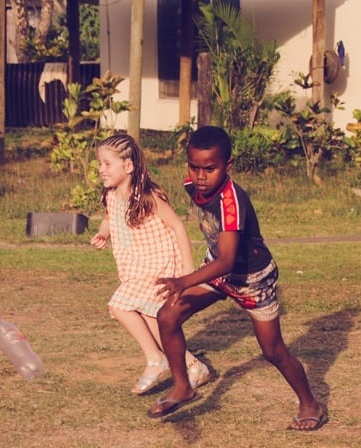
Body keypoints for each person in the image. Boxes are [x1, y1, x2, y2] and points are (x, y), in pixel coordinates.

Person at [149, 126, 325, 430]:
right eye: (194, 167)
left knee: (273, 351)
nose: (201, 175)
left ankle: (310, 404)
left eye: (210, 168)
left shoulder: (232, 202)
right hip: (217, 272)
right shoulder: (192, 184)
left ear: (228, 166)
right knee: (167, 315)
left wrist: (184, 280)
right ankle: (182, 386)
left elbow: (228, 260)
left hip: (251, 279)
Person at [91, 134, 211, 395]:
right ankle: (194, 365)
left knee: (118, 305)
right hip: (134, 266)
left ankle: (156, 360)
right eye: (100, 163)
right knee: (151, 316)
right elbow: (110, 219)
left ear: (129, 166)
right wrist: (103, 234)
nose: (102, 169)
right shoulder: (111, 194)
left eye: (107, 163)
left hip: (159, 263)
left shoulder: (147, 196)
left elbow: (178, 226)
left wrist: (188, 273)